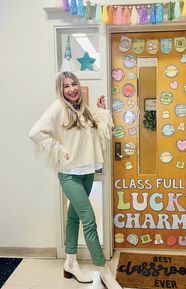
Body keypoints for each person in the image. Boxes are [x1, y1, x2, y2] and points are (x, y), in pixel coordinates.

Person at [29, 71, 122, 289]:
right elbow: (35, 132)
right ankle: (104, 272)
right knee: (89, 220)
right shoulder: (58, 108)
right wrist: (59, 149)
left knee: (73, 217)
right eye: (66, 86)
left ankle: (70, 262)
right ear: (60, 90)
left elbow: (94, 131)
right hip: (70, 175)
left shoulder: (82, 108)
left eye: (74, 84)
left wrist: (100, 110)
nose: (71, 89)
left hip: (87, 172)